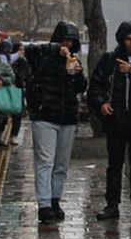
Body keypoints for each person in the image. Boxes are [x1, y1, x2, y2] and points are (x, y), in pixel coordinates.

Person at [87, 20, 131, 221]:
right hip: (116, 120)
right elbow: (95, 86)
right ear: (122, 40)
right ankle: (112, 204)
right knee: (114, 164)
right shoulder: (110, 60)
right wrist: (101, 104)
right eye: (128, 38)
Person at [24, 21, 87, 224]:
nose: (68, 45)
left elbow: (80, 88)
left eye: (72, 41)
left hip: (67, 117)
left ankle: (55, 199)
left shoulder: (74, 61)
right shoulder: (44, 56)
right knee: (45, 161)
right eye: (65, 40)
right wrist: (54, 50)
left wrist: (77, 74)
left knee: (61, 163)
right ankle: (44, 204)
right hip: (45, 116)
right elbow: (29, 51)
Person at [9, 41, 31, 145]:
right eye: (19, 50)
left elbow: (25, 76)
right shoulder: (9, 61)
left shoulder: (24, 62)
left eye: (23, 50)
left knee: (17, 114)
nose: (21, 52)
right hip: (7, 89)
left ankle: (14, 135)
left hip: (18, 90)